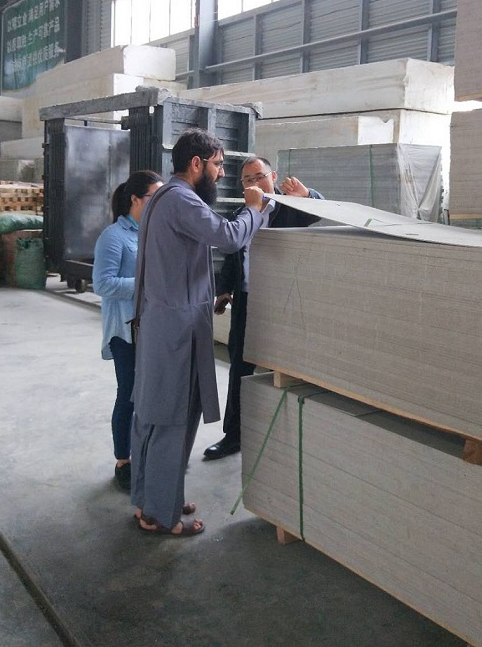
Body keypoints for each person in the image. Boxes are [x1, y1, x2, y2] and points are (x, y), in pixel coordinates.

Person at [131, 129, 273, 536]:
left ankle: (154, 499)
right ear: (196, 164)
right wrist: (255, 208)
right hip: (174, 330)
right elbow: (228, 237)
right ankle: (163, 516)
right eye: (218, 165)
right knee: (171, 419)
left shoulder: (164, 196)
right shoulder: (181, 198)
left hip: (167, 323)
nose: (222, 173)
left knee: (156, 418)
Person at [204, 156, 324, 461]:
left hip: (281, 303)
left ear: (273, 176)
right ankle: (234, 436)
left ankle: (275, 437)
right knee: (239, 368)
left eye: (259, 176)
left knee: (277, 371)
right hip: (246, 300)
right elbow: (233, 255)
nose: (254, 184)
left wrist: (308, 195)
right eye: (247, 180)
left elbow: (323, 210)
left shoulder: (293, 208)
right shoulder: (242, 213)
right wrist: (224, 290)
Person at [92, 170, 164, 491]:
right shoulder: (114, 236)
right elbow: (103, 284)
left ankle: (145, 453)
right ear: (135, 199)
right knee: (129, 395)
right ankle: (124, 460)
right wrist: (146, 283)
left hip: (152, 328)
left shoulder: (151, 232)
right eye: (153, 197)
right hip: (125, 332)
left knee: (149, 395)